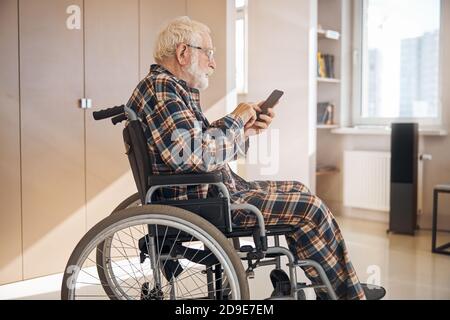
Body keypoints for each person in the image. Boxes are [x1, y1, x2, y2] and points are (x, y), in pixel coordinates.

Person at [126, 16, 369, 300]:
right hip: (205, 201)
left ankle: (334, 287)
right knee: (309, 208)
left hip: (207, 193)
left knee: (299, 190)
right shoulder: (163, 89)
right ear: (183, 53)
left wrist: (244, 128)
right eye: (209, 54)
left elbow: (197, 142)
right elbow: (195, 154)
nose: (213, 64)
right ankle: (345, 294)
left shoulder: (169, 89)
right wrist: (236, 119)